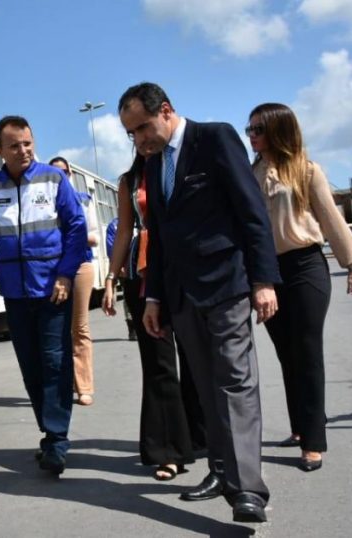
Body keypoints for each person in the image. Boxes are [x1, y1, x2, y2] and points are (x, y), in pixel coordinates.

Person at [118, 82, 280, 523]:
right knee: (205, 387)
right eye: (131, 133)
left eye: (143, 128)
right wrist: (153, 297)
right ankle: (221, 470)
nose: (139, 139)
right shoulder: (152, 165)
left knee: (234, 380)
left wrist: (263, 279)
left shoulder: (215, 138)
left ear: (166, 110)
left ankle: (247, 490)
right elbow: (159, 237)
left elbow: (252, 211)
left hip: (226, 282)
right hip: (181, 293)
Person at [246, 103, 352, 472]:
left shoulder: (306, 170)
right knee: (286, 353)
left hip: (306, 267)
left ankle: (313, 441)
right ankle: (300, 425)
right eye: (249, 129)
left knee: (307, 351)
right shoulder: (249, 173)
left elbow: (331, 220)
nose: (251, 136)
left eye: (258, 130)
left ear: (278, 130)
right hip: (267, 273)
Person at [0, 116, 87, 475]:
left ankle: (56, 439)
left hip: (53, 290)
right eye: (14, 146)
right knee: (31, 366)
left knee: (54, 362)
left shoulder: (54, 179)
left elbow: (76, 227)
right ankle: (49, 431)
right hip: (15, 293)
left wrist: (65, 274)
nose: (23, 151)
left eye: (27, 143)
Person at [102, 154, 197, 481]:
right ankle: (169, 451)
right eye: (136, 133)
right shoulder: (129, 181)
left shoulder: (186, 165)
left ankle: (200, 436)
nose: (144, 138)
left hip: (186, 270)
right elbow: (123, 231)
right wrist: (111, 278)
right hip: (141, 275)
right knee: (159, 364)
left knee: (195, 358)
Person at [48, 156, 98, 406]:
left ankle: (84, 387)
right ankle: (62, 384)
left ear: (70, 175)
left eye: (64, 172)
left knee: (79, 328)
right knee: (56, 331)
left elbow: (94, 237)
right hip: (52, 269)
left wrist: (68, 235)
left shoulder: (83, 200)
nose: (60, 176)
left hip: (80, 267)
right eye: (54, 172)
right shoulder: (43, 202)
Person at [105, 216, 136, 341]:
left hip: (143, 265)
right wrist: (119, 265)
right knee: (129, 298)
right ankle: (132, 328)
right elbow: (111, 248)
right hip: (126, 268)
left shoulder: (143, 219)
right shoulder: (114, 225)